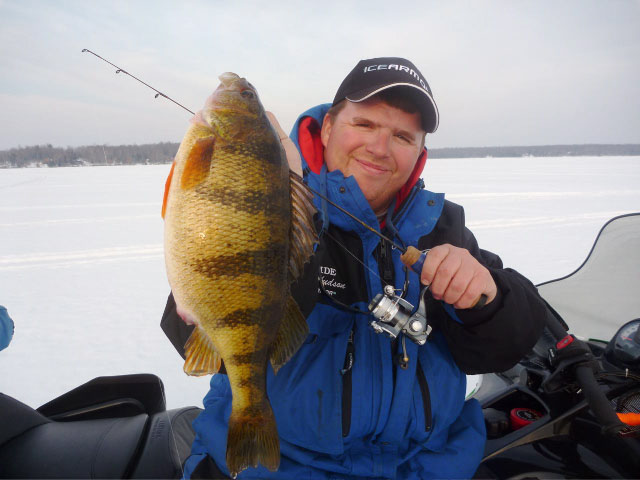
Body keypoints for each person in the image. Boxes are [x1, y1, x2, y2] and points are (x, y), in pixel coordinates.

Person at [161, 57, 547, 479]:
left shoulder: (441, 229)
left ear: (420, 154)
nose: (379, 148)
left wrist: (488, 299)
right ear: (327, 128)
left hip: (426, 467)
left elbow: (505, 347)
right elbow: (193, 333)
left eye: (402, 136)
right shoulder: (278, 205)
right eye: (364, 124)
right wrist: (289, 207)